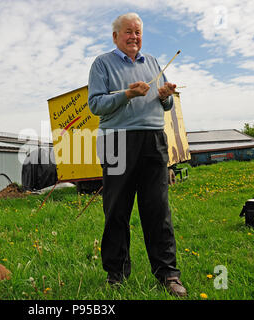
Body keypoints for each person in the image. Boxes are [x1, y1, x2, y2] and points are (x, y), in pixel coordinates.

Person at [88, 12, 187, 297]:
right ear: (115, 36)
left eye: (138, 32)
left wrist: (166, 94)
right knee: (117, 209)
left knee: (157, 209)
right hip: (116, 141)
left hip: (153, 140)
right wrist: (127, 95)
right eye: (129, 32)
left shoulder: (154, 62)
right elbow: (95, 104)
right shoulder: (102, 63)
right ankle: (116, 274)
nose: (134, 37)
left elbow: (166, 105)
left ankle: (168, 273)